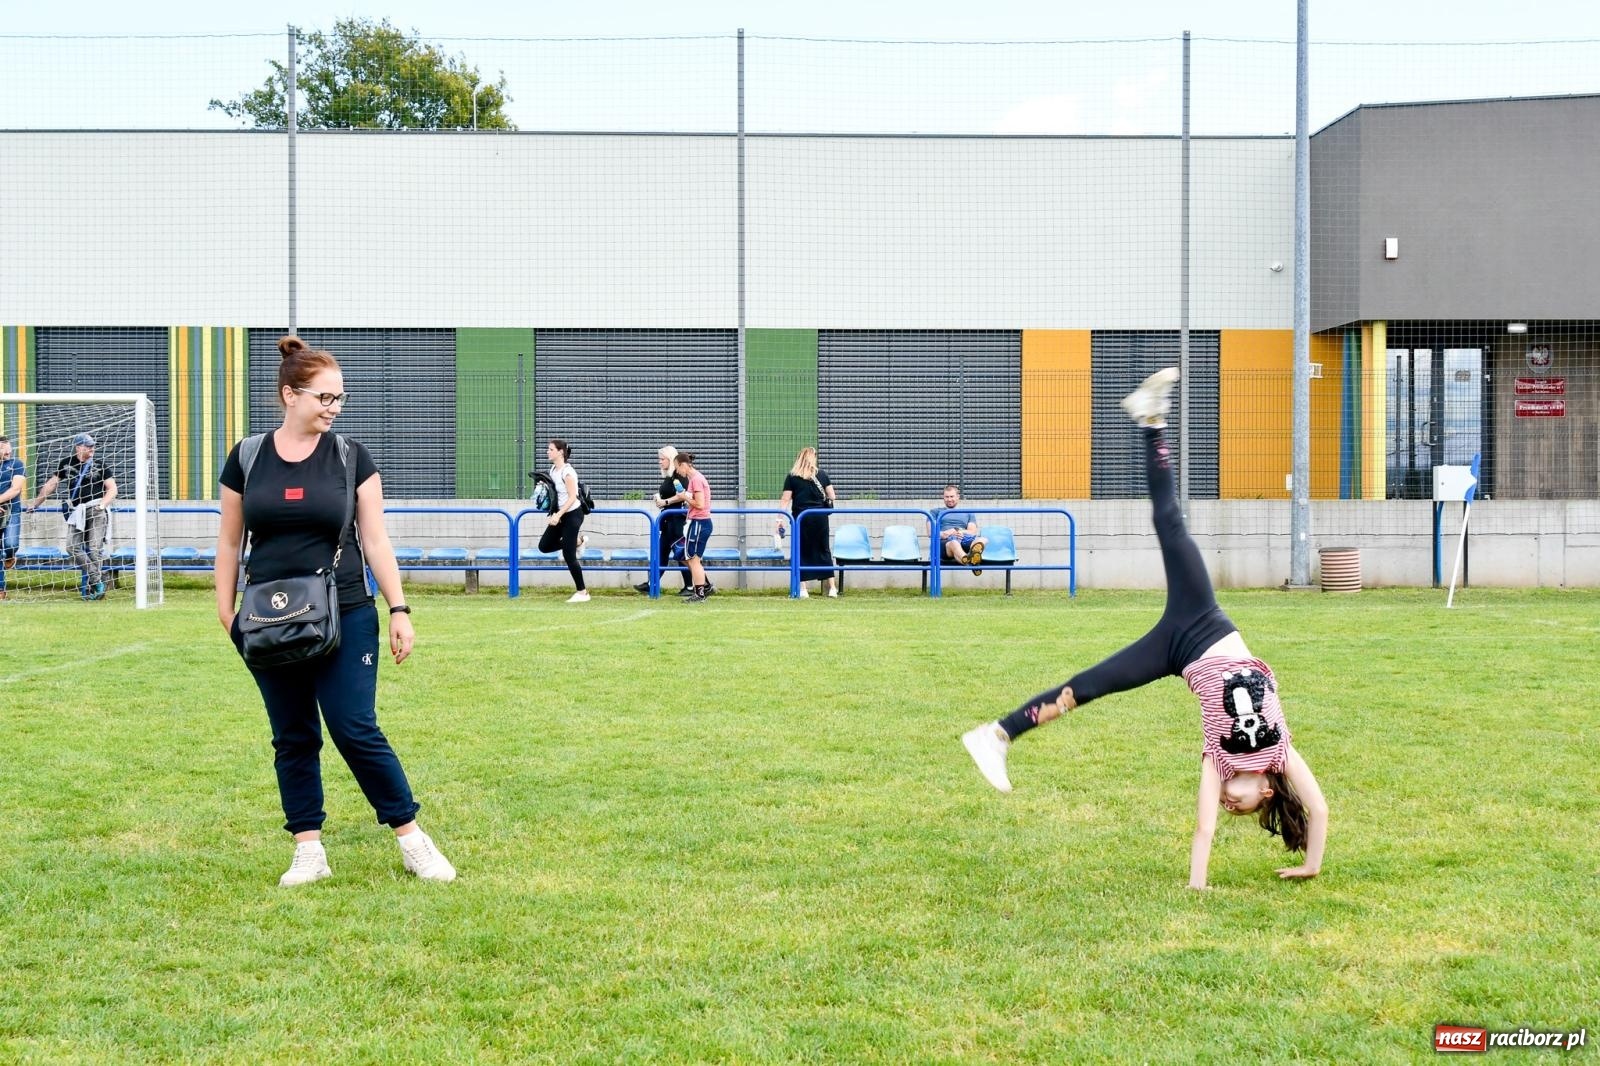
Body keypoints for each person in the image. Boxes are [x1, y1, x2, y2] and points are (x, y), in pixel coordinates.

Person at [961, 368, 1328, 890]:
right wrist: (1312, 862)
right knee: (1170, 523)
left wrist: (1197, 887)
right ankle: (1152, 422)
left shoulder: (1219, 762)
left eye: (1230, 807)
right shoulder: (1281, 754)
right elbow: (1318, 808)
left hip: (1178, 654)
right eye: (1239, 806)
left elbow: (1203, 829)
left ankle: (994, 735)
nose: (1229, 803)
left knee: (1085, 688)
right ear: (1266, 791)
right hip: (1204, 619)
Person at [215, 335, 456, 886]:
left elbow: (375, 539)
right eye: (324, 397)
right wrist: (225, 612)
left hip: (345, 610)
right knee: (293, 734)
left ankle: (412, 840)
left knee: (353, 725)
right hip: (267, 618)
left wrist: (399, 608)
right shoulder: (247, 458)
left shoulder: (351, 458)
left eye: (339, 399)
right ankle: (308, 850)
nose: (334, 408)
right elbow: (229, 542)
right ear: (289, 395)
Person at [25, 432, 116, 600]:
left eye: (93, 446)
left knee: (95, 550)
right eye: (88, 446)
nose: (92, 449)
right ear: (78, 447)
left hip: (96, 509)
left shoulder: (100, 464)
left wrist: (102, 505)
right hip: (77, 511)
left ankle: (95, 590)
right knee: (71, 547)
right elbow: (50, 486)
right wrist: (35, 504)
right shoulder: (66, 463)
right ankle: (98, 581)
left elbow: (112, 488)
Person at [778, 446, 838, 598]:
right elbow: (832, 496)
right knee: (824, 550)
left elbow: (785, 499)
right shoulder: (822, 474)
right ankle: (832, 588)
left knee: (801, 551)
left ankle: (803, 589)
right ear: (813, 458)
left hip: (800, 519)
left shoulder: (792, 477)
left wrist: (779, 518)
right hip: (820, 518)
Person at [637, 445, 693, 595]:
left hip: (677, 522)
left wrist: (665, 502)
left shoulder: (679, 475)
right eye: (659, 459)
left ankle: (691, 586)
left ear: (670, 459)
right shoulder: (670, 477)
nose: (660, 462)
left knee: (681, 554)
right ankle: (651, 583)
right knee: (661, 552)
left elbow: (683, 495)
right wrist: (660, 498)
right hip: (667, 520)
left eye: (662, 459)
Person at [539, 438, 588, 603]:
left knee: (568, 554)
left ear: (560, 452)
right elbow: (556, 491)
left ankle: (582, 592)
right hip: (560, 513)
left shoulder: (568, 472)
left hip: (573, 514)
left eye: (551, 449)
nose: (548, 451)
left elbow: (573, 496)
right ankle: (578, 542)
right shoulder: (553, 469)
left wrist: (558, 515)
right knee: (544, 546)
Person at [675, 451, 713, 603]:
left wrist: (684, 497)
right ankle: (703, 588)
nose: (678, 472)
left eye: (678, 468)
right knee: (693, 559)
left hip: (699, 523)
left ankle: (699, 593)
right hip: (700, 523)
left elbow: (700, 504)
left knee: (693, 560)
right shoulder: (695, 479)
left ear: (683, 465)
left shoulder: (696, 480)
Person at [936, 484, 987, 576]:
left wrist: (959, 531)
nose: (949, 499)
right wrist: (946, 533)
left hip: (964, 538)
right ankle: (971, 562)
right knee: (954, 543)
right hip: (946, 542)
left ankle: (969, 559)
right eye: (946, 497)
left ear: (958, 497)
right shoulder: (936, 512)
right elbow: (931, 533)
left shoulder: (968, 513)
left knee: (983, 539)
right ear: (943, 497)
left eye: (952, 496)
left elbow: (972, 531)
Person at [0, 434, 25, 601]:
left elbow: (16, 489)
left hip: (12, 510)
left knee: (10, 544)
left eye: (9, 448)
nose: (8, 451)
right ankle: (1, 589)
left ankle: (11, 555)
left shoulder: (17, 464)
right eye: (3, 449)